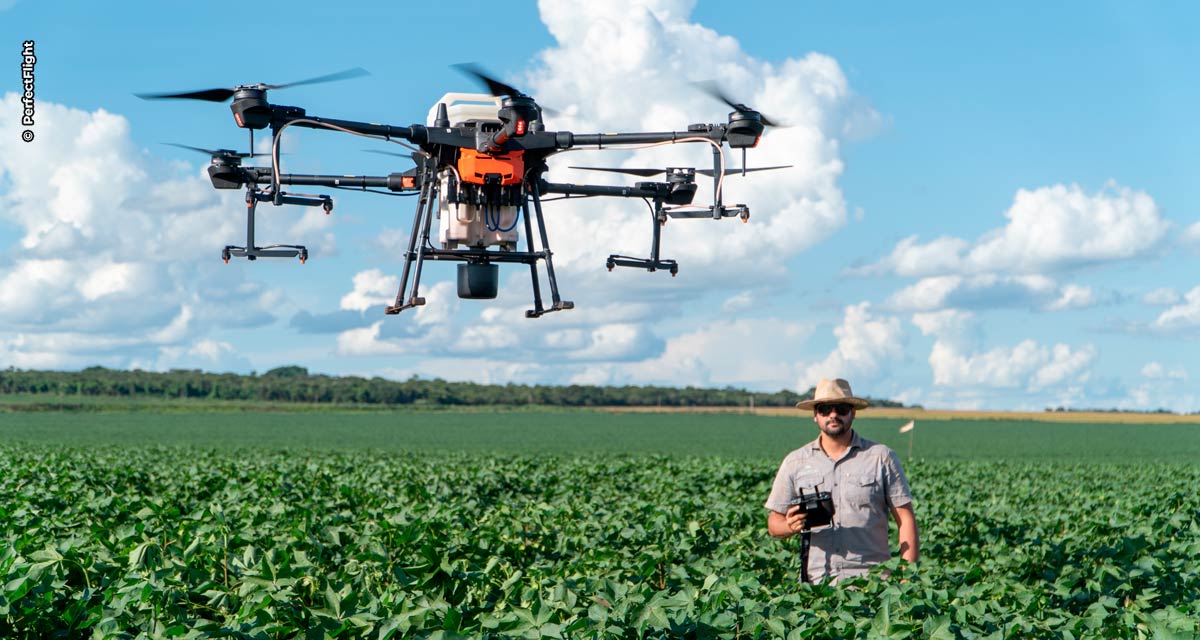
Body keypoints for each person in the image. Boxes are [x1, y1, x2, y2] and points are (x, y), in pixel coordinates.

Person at [764, 378, 919, 583]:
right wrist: (790, 526)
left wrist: (906, 577)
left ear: (853, 413)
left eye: (841, 409)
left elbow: (905, 518)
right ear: (815, 416)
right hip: (817, 582)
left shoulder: (881, 458)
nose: (833, 414)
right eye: (825, 409)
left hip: (872, 581)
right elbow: (774, 524)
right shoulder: (796, 462)